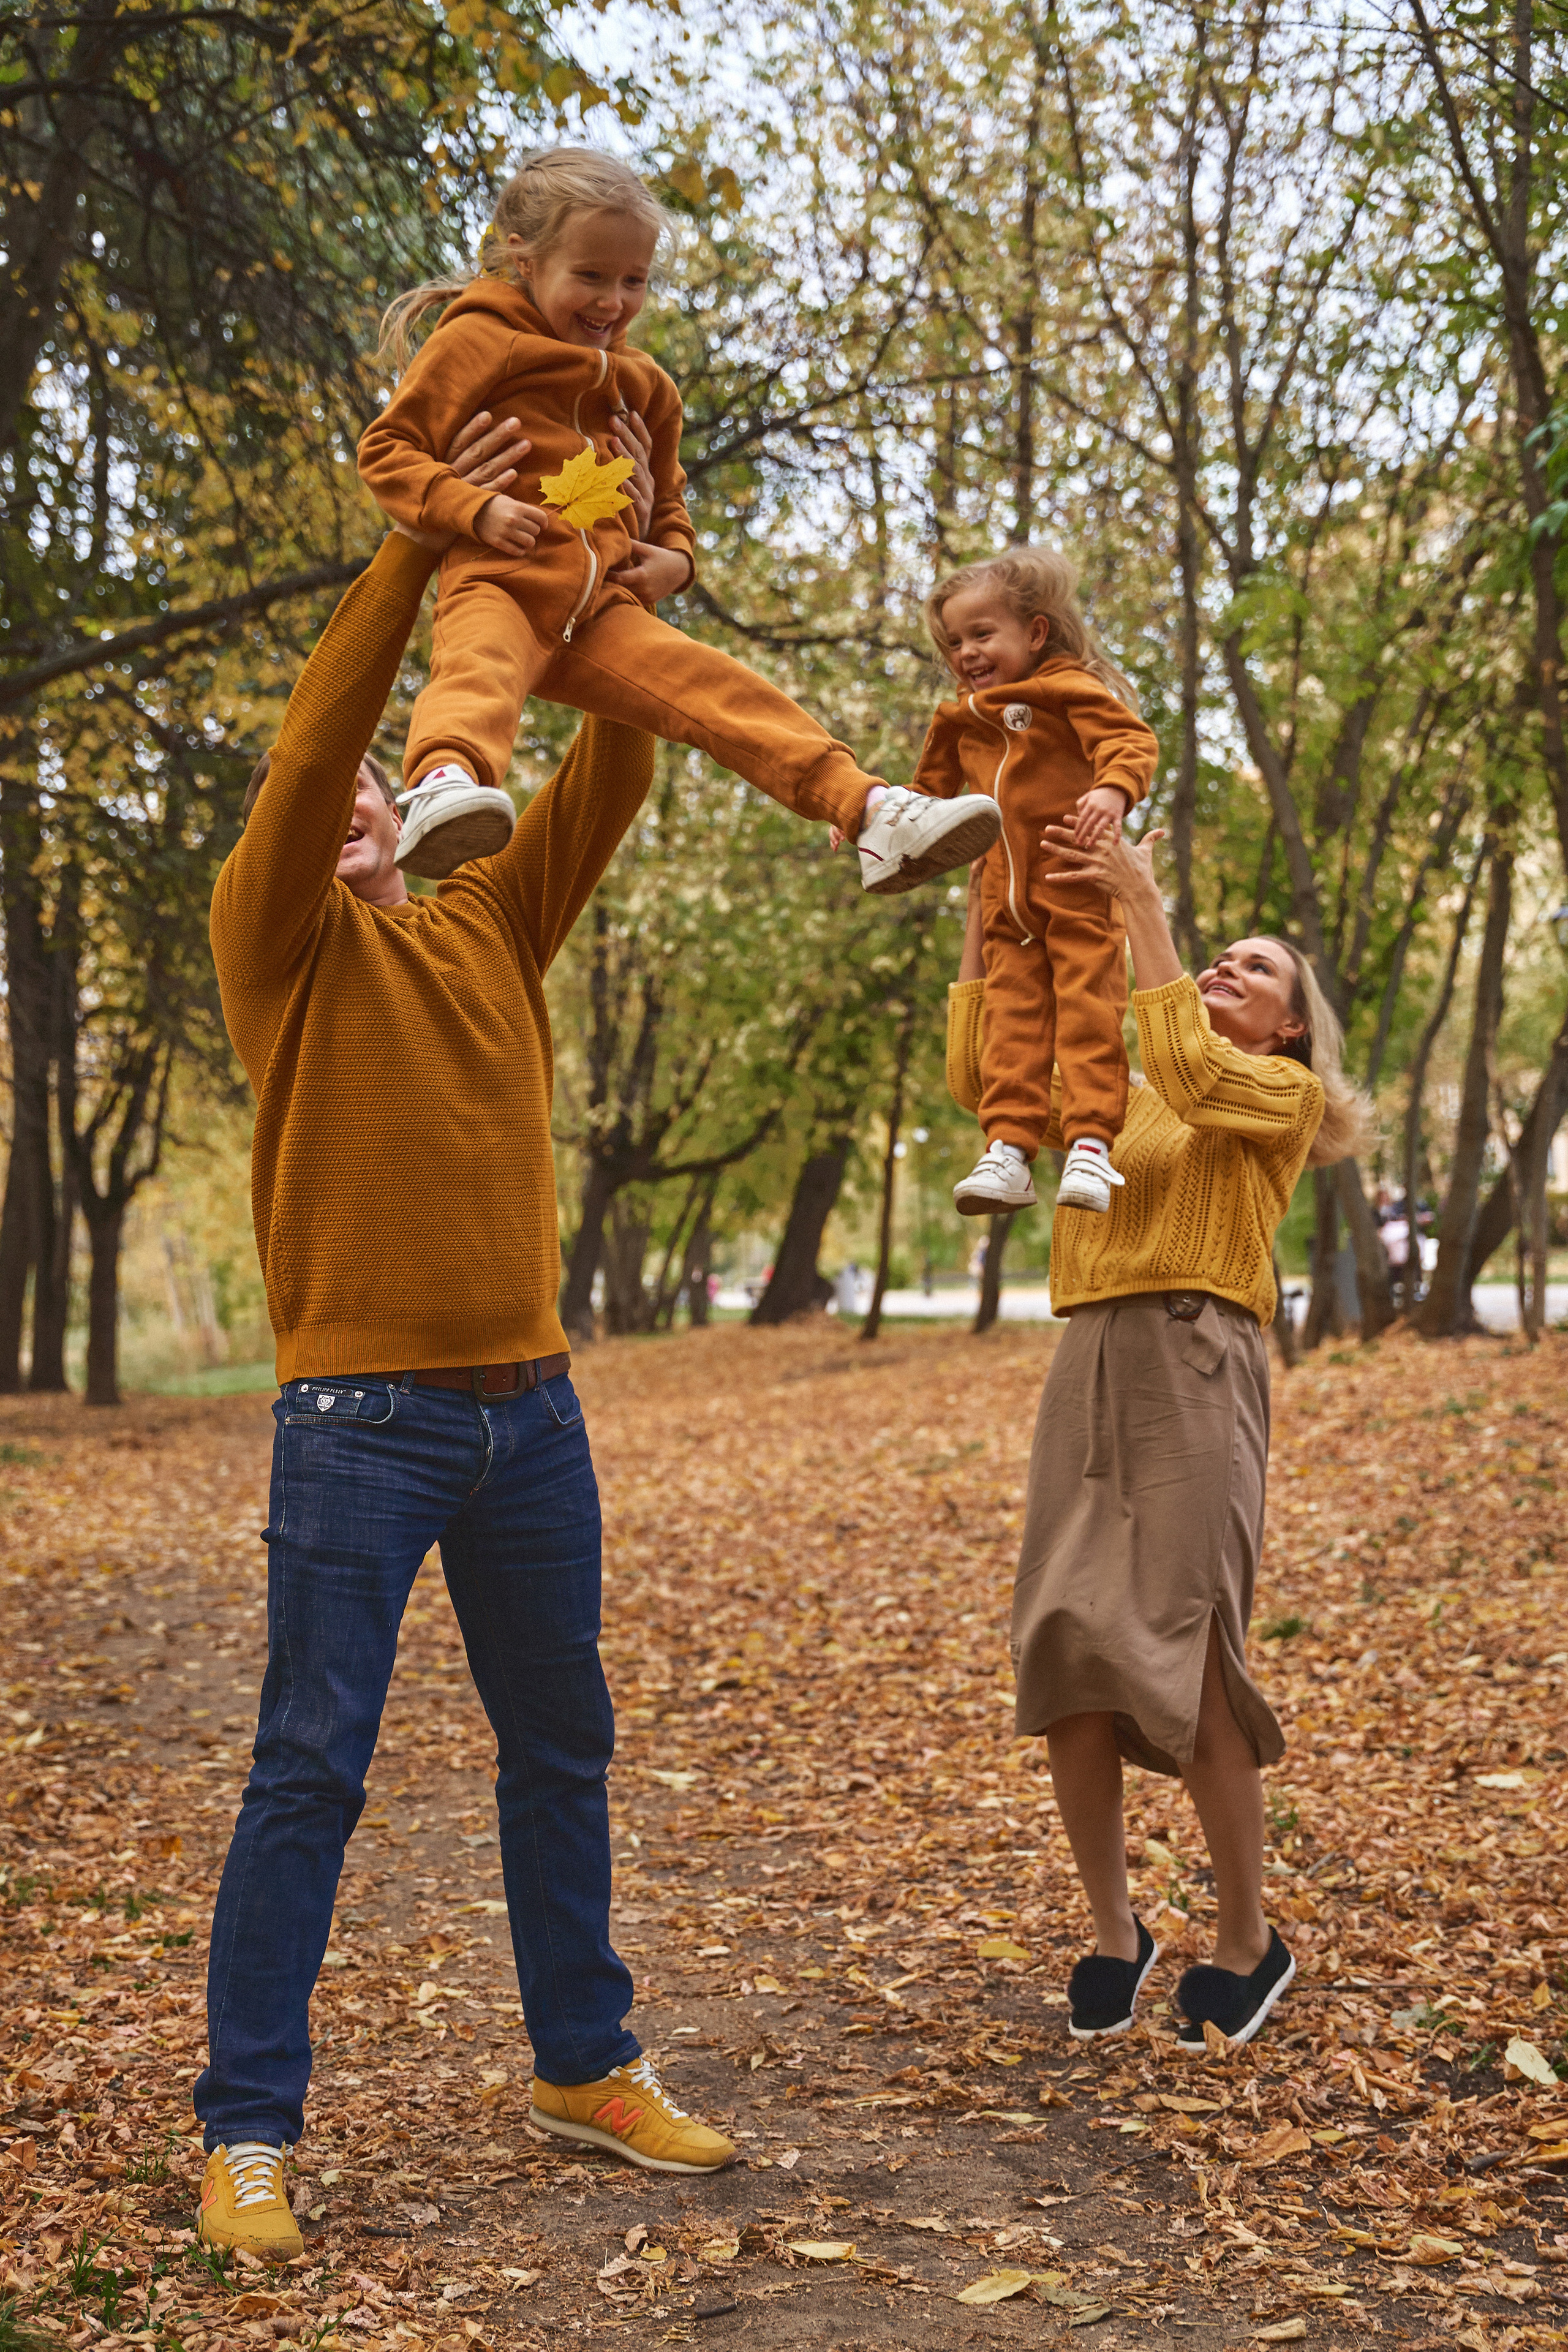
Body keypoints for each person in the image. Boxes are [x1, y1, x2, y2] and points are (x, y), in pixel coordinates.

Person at [194, 414, 736, 2267]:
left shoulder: (490, 907)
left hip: (534, 1411)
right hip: (355, 1418)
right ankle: (251, 2127)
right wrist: (429, 550)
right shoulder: (280, 946)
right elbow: (311, 741)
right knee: (311, 1762)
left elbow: (616, 758)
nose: (351, 796)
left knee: (559, 1741)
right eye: (333, 785)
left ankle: (583, 2061)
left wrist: (627, 576)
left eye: (375, 787)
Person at [948, 820, 1368, 2051]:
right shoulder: (1110, 1100)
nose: (1227, 975)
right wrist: (988, 908)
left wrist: (1140, 901)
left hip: (1194, 1360)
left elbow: (1186, 1068)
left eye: (1255, 971)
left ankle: (1248, 1936)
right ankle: (1111, 1932)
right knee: (1063, 1643)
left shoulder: (1272, 1096)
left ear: (1288, 1027)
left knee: (1184, 1654)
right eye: (1218, 960)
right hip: (1086, 1356)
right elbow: (987, 1080)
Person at [356, 144, 997, 896]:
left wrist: (676, 560)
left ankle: (873, 814)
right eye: (590, 276)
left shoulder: (647, 389)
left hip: (602, 613)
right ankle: (443, 784)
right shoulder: (476, 342)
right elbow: (388, 449)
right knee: (479, 672)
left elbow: (669, 501)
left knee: (718, 689)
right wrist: (475, 505)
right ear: (523, 259)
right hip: (500, 579)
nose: (613, 301)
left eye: (634, 281)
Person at [914, 549, 1159, 1219]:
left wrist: (1111, 792)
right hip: (1006, 906)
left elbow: (1130, 744)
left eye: (982, 634)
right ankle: (1009, 1152)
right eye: (955, 641)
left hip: (1076, 885)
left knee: (1087, 1012)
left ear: (1036, 633)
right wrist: (865, 817)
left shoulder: (1068, 689)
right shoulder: (959, 718)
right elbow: (925, 796)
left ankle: (1089, 1145)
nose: (966, 652)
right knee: (1011, 1027)